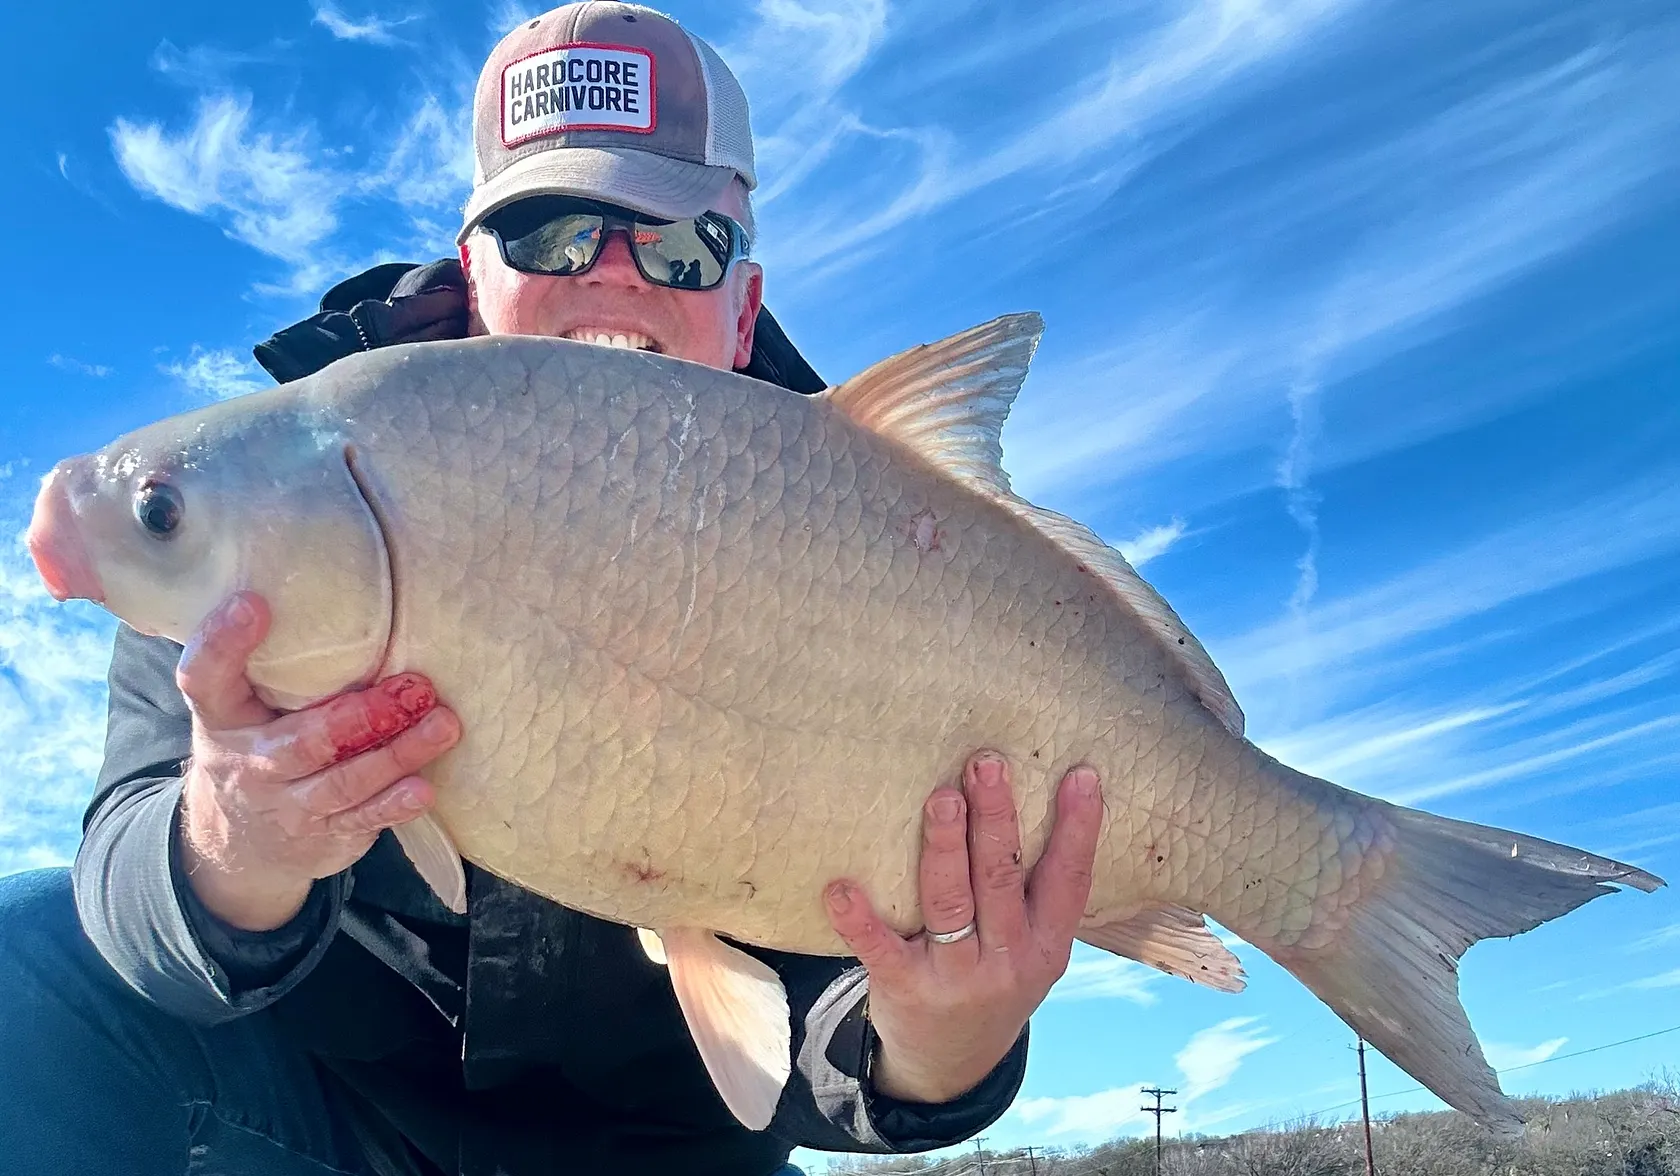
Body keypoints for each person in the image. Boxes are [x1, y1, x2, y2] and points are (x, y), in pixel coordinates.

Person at [0, 5, 1105, 1174]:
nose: (614, 281)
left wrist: (948, 1045)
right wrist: (231, 839)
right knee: (24, 968)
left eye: (686, 249)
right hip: (326, 1123)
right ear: (475, 269)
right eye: (553, 234)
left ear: (745, 306)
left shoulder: (880, 554)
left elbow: (819, 1047)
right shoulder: (273, 493)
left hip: (671, 1150)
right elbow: (122, 883)